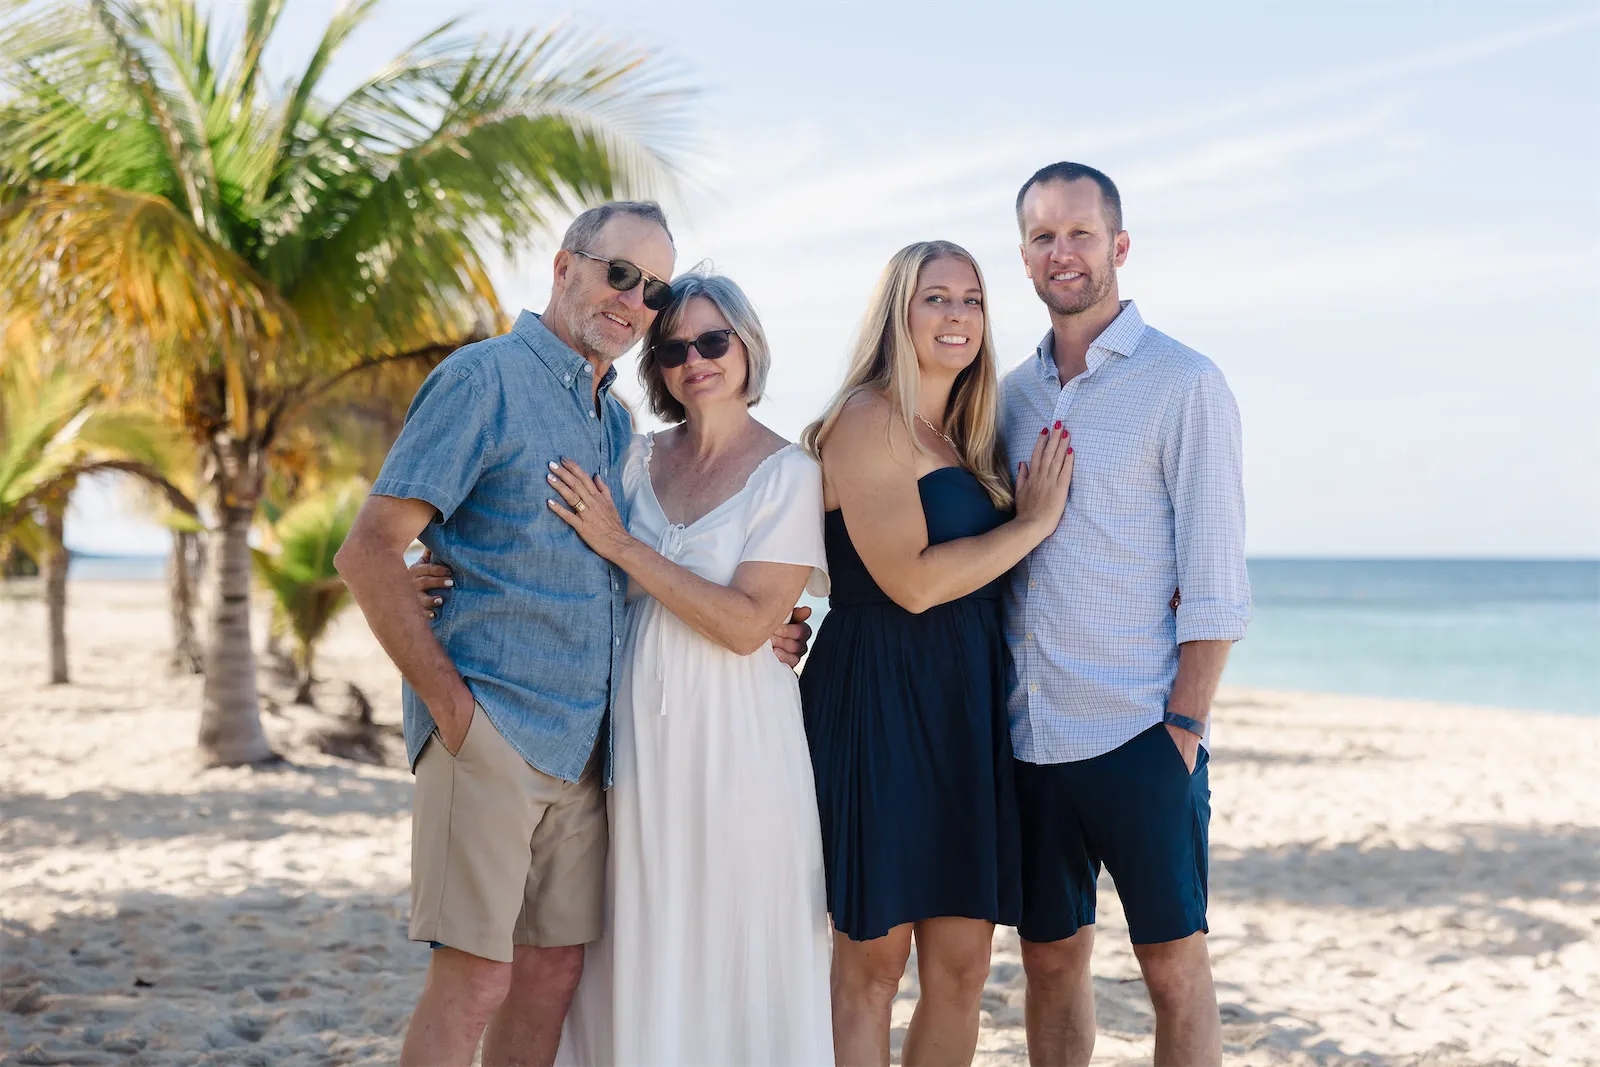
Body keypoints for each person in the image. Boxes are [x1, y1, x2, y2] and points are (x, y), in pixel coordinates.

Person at [335, 203, 808, 1067]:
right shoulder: (487, 378)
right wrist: (454, 712)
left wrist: (779, 620)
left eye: (654, 290)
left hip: (592, 756)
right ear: (566, 267)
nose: (635, 302)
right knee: (474, 981)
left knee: (551, 976)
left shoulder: (615, 423)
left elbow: (659, 570)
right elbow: (367, 550)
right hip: (493, 730)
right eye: (619, 273)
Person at [799, 240, 1074, 1067]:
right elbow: (912, 584)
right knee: (872, 968)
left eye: (972, 300)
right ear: (898, 314)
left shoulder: (964, 434)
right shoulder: (868, 417)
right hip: (879, 699)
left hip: (965, 704)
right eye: (935, 298)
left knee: (960, 966)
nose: (957, 316)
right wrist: (1031, 524)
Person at [1003, 162, 1251, 1067]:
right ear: (1023, 257)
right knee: (1050, 961)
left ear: (1118, 245)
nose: (1060, 252)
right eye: (1041, 236)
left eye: (1078, 233)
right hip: (1029, 738)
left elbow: (1218, 581)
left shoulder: (1183, 382)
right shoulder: (1007, 394)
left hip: (1139, 732)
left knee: (1173, 968)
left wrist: (1181, 726)